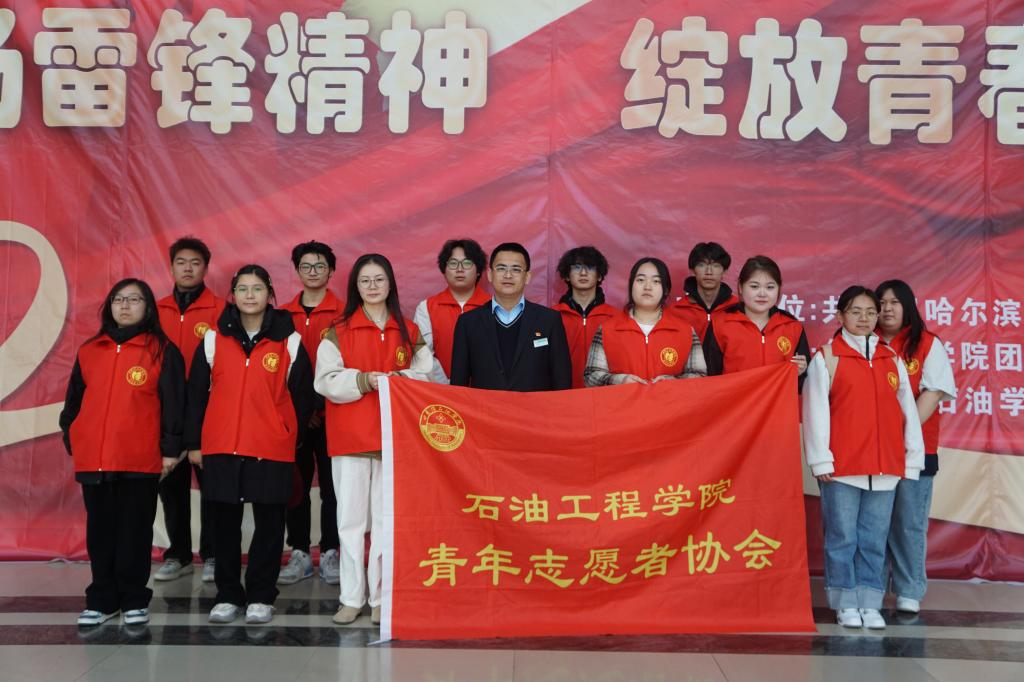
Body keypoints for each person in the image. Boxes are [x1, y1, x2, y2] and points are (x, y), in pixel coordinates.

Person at [184, 265, 313, 625]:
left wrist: (286, 433)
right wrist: (195, 443)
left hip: (271, 447)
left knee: (269, 525)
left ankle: (260, 595)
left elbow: (303, 396)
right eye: (243, 289)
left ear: (269, 293)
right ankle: (228, 595)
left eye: (257, 288)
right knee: (223, 525)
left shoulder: (289, 340)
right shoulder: (213, 339)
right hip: (221, 445)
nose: (250, 295)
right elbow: (196, 395)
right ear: (234, 294)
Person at [60, 278, 186, 626]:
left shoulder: (162, 350)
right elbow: (73, 402)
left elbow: (174, 405)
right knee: (100, 531)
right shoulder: (90, 350)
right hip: (95, 458)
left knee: (134, 530)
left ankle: (133, 598)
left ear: (148, 308)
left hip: (139, 458)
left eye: (134, 299)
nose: (125, 306)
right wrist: (74, 436)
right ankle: (102, 600)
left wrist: (170, 450)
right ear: (109, 307)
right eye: (118, 299)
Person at [314, 254, 432, 626]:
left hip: (394, 437)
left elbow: (427, 375)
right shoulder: (338, 330)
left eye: (379, 279)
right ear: (355, 287)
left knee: (385, 521)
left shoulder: (408, 330)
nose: (373, 286)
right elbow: (325, 380)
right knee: (349, 521)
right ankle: (351, 598)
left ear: (390, 283)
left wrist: (400, 379)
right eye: (365, 281)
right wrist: (364, 380)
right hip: (349, 437)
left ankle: (381, 598)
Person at [803, 285, 924, 631]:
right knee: (842, 538)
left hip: (885, 467)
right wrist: (821, 460)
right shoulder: (827, 358)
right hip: (842, 468)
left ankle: (870, 603)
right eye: (855, 311)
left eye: (871, 312)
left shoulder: (891, 359)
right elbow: (815, 411)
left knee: (874, 539)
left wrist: (911, 459)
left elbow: (908, 412)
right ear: (840, 316)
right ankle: (845, 604)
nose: (864, 318)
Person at [876, 279, 956, 614]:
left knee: (909, 522)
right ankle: (872, 588)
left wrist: (900, 433)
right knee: (874, 523)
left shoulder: (927, 343)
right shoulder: (864, 341)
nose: (887, 309)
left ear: (908, 305)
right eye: (882, 302)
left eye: (894, 302)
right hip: (872, 450)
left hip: (916, 450)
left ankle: (909, 589)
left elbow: (933, 393)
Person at [155, 237, 224, 583]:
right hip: (165, 411)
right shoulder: (155, 309)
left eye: (195, 263)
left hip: (207, 410)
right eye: (181, 262)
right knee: (172, 488)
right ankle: (178, 554)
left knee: (213, 487)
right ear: (171, 267)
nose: (187, 268)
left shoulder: (221, 309)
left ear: (205, 268)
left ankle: (212, 554)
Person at [278, 241, 342, 586]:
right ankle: (300, 552)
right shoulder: (281, 316)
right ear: (297, 271)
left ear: (331, 271)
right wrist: (302, 411)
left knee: (334, 487)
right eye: (306, 266)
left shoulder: (345, 312)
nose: (313, 272)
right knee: (296, 486)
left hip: (335, 415)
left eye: (320, 266)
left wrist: (319, 406)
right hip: (293, 418)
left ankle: (331, 550)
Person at [449, 242, 572, 391]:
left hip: (534, 406)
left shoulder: (549, 320)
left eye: (516, 269)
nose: (508, 275)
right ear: (490, 274)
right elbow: (458, 385)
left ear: (527, 277)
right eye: (501, 268)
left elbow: (562, 381)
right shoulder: (468, 322)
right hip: (485, 406)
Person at [584, 257, 706, 385]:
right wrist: (619, 381)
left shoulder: (685, 331)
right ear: (631, 286)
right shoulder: (607, 330)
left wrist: (674, 382)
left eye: (656, 281)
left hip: (669, 398)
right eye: (641, 280)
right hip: (623, 398)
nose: (647, 287)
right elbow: (591, 376)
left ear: (666, 290)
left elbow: (700, 376)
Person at [703, 255, 809, 388]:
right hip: (735, 401)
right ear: (740, 287)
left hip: (778, 401)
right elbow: (709, 378)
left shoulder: (792, 326)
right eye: (754, 286)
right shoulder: (720, 325)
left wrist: (801, 372)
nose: (762, 294)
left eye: (770, 287)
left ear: (779, 289)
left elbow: (803, 385)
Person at [413, 238, 490, 383]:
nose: (460, 269)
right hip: (442, 389)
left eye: (467, 263)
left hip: (486, 391)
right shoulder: (427, 308)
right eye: (453, 263)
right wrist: (447, 385)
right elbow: (423, 355)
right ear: (444, 270)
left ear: (478, 271)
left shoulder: (493, 307)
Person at [553, 246, 618, 388]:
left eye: (590, 267)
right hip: (561, 394)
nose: (583, 273)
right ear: (567, 275)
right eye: (577, 267)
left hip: (603, 394)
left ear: (599, 276)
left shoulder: (616, 318)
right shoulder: (552, 316)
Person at [669, 241, 738, 339]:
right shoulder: (675, 311)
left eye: (715, 265)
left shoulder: (737, 307)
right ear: (692, 271)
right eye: (702, 265)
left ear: (724, 272)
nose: (709, 272)